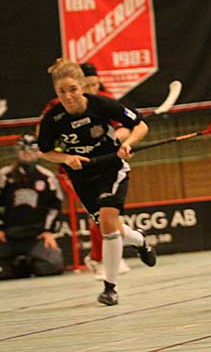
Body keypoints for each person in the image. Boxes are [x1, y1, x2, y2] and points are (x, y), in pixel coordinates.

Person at [38, 58, 156, 306]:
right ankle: (140, 240)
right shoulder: (53, 118)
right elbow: (45, 151)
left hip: (111, 169)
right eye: (61, 91)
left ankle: (110, 288)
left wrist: (127, 144)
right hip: (82, 178)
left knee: (107, 220)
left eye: (73, 89)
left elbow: (140, 125)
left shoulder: (102, 105)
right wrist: (66, 158)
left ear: (82, 86)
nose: (68, 96)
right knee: (110, 225)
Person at [38, 62, 131, 280]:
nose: (90, 90)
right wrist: (66, 157)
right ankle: (101, 258)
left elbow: (124, 128)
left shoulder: (103, 101)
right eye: (87, 85)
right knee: (99, 216)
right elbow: (45, 144)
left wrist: (117, 142)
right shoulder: (56, 108)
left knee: (107, 215)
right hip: (76, 169)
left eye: (94, 85)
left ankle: (108, 257)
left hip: (106, 164)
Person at [0, 134, 64, 280]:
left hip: (36, 236)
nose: (27, 155)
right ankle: (16, 267)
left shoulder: (47, 177)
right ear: (18, 152)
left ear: (38, 153)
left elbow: (55, 205)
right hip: (8, 236)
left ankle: (29, 263)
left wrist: (48, 231)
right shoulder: (5, 175)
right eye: (23, 152)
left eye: (31, 152)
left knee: (53, 265)